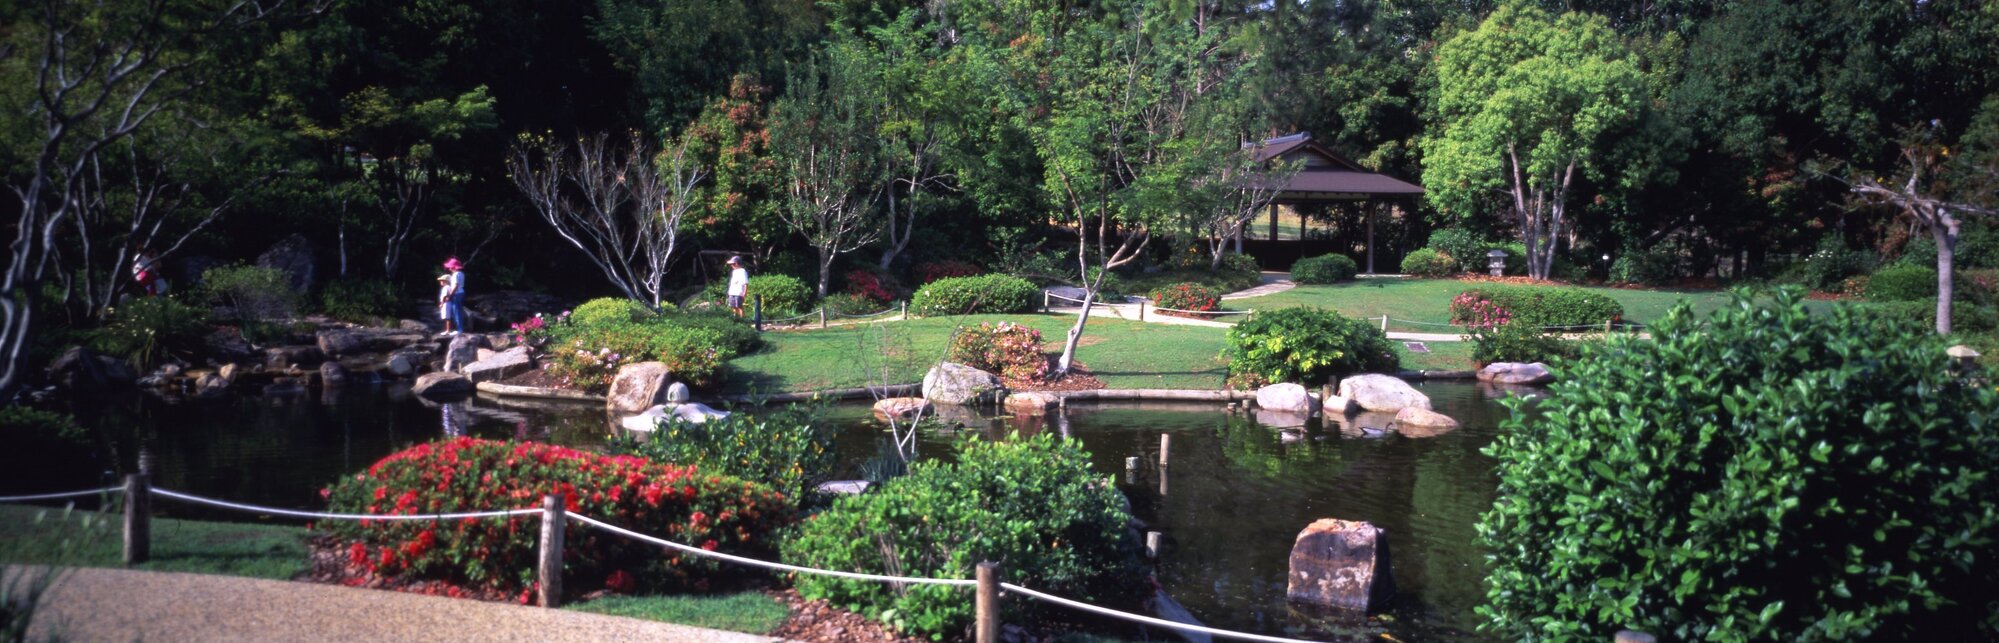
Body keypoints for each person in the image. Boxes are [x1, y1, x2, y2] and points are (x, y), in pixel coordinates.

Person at [440, 256, 466, 335]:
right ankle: (459, 328)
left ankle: (459, 330)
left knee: (456, 311)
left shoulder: (455, 275)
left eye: (450, 267)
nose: (449, 269)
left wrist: (450, 295)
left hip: (457, 294)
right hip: (461, 292)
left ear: (453, 267)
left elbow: (455, 286)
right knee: (459, 311)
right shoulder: (461, 273)